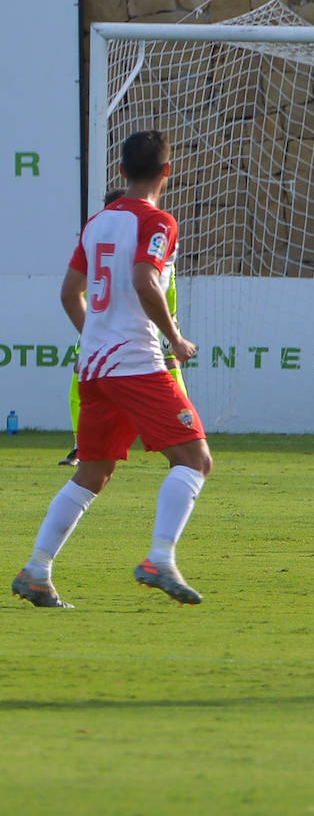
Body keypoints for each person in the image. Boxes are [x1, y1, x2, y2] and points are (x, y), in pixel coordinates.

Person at [11, 130, 212, 608]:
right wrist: (175, 338)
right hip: (136, 362)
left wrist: (96, 337)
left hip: (96, 368)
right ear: (168, 171)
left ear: (121, 172)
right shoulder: (159, 220)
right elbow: (145, 279)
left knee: (93, 472)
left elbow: (69, 293)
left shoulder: (97, 222)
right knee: (195, 459)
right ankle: (159, 558)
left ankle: (37, 571)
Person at [58, 189, 189, 467]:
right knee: (81, 382)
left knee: (168, 374)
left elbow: (71, 292)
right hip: (108, 322)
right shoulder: (133, 236)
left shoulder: (118, 236)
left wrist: (170, 324)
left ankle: (180, 439)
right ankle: (82, 444)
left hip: (126, 324)